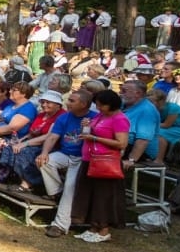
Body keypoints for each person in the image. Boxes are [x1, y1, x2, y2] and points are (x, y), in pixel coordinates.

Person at [68, 89, 130, 243]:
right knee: (91, 194)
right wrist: (86, 126)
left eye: (101, 105)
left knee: (103, 196)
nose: (98, 107)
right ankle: (93, 227)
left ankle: (103, 230)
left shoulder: (119, 119)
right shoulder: (100, 116)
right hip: (90, 159)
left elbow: (121, 143)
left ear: (110, 105)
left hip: (105, 163)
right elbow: (91, 132)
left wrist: (95, 138)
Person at [37, 89, 94, 237]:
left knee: (70, 187)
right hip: (65, 153)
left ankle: (60, 225)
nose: (67, 103)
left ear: (84, 104)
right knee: (45, 162)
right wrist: (44, 153)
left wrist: (88, 127)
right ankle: (57, 192)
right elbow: (52, 137)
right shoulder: (64, 117)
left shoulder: (95, 118)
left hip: (83, 158)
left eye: (72, 101)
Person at [149, 88, 180, 166]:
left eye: (152, 101)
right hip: (174, 128)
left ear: (161, 101)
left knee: (160, 133)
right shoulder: (155, 109)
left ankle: (159, 160)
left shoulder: (173, 108)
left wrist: (148, 125)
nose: (149, 104)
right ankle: (151, 155)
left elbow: (166, 125)